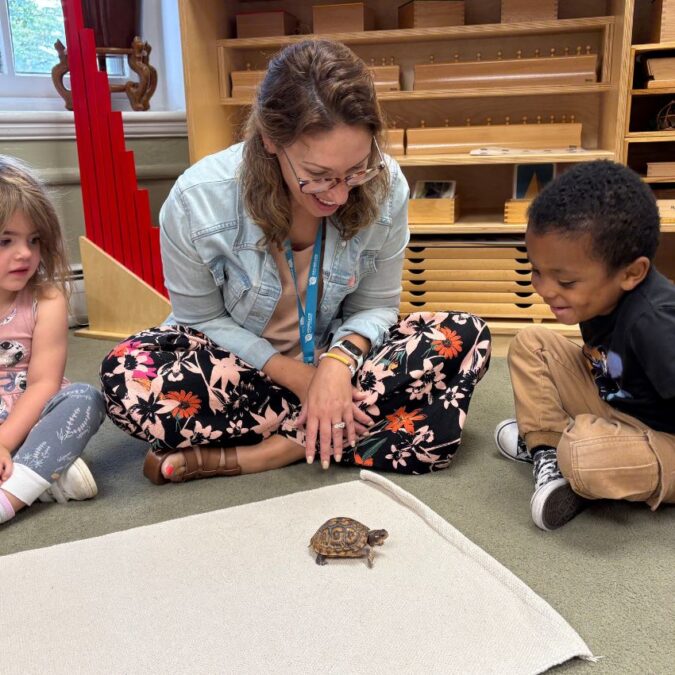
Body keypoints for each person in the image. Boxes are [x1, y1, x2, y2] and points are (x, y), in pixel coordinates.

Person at [100, 39, 491, 484]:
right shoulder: (197, 202)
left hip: (340, 361)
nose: (340, 194)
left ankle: (266, 452)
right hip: (239, 367)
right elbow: (200, 318)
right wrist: (304, 380)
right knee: (126, 375)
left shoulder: (387, 185)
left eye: (356, 170)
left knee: (465, 335)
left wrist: (336, 366)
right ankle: (332, 428)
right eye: (318, 176)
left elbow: (376, 306)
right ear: (270, 139)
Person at [494, 160, 675, 531]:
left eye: (565, 281)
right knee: (531, 343)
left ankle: (570, 454)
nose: (544, 289)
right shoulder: (598, 295)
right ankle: (547, 450)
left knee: (582, 454)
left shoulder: (657, 323)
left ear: (631, 273)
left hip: (664, 440)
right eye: (537, 271)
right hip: (617, 399)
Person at [0, 155, 106, 526]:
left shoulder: (47, 300)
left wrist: (4, 441)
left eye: (34, 240)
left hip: (33, 413)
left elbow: (45, 383)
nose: (25, 254)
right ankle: (43, 474)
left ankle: (11, 495)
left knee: (85, 399)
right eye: (5, 241)